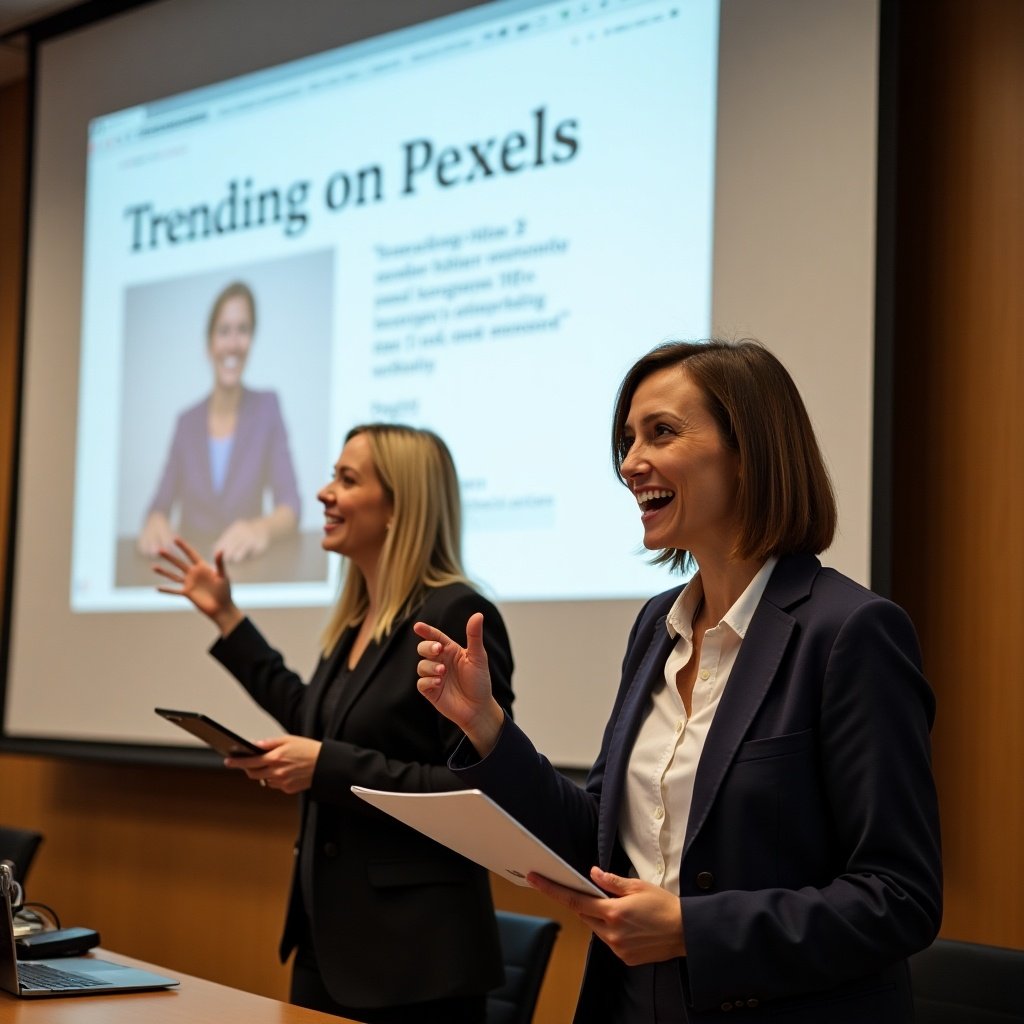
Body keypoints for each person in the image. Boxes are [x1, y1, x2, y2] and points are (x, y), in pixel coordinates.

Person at [414, 340, 942, 1023]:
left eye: (660, 433)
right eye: (627, 440)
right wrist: (486, 728)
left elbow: (900, 897)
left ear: (749, 451)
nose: (631, 463)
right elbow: (600, 842)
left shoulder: (851, 632)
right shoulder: (655, 627)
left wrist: (696, 928)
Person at [154, 423, 515, 1024]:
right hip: (332, 941)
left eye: (347, 480)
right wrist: (226, 617)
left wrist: (325, 767)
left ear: (400, 506)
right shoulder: (359, 620)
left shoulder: (452, 613)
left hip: (414, 961)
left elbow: (473, 791)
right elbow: (312, 717)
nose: (323, 494)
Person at [138, 281, 301, 563]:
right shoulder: (186, 422)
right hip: (194, 573)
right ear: (209, 344)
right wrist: (155, 520)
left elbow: (291, 505)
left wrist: (260, 528)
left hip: (246, 569)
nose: (233, 343)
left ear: (251, 339)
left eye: (243, 330)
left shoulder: (267, 407)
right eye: (224, 331)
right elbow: (159, 504)